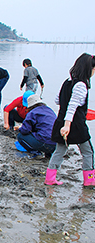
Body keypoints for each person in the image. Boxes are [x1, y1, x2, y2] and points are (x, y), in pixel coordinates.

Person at [45, 53, 95, 187]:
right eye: (93, 69)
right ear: (88, 69)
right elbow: (72, 106)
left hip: (60, 121)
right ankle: (89, 180)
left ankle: (50, 178)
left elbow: (58, 100)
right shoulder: (81, 85)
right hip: (75, 125)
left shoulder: (67, 82)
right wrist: (68, 125)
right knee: (88, 152)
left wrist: (65, 123)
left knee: (59, 151)